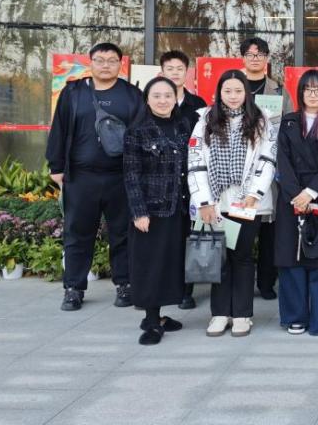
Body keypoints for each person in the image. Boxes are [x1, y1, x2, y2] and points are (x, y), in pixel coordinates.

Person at [46, 42, 144, 312]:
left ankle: (125, 284)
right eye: (100, 60)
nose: (105, 65)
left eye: (112, 60)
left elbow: (140, 135)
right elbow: (58, 129)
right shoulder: (73, 92)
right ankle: (73, 288)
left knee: (123, 233)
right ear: (91, 62)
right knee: (77, 233)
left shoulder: (132, 95)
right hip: (81, 177)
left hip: (121, 177)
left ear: (120, 64)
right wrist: (56, 166)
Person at [188, 69, 277, 338]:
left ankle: (241, 314)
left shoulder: (261, 119)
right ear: (219, 93)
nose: (233, 96)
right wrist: (204, 201)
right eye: (227, 91)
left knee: (243, 257)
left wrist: (255, 193)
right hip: (216, 201)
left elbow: (268, 159)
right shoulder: (205, 119)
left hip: (247, 202)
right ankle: (219, 313)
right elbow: (195, 161)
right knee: (219, 258)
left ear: (246, 93)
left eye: (238, 91)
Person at [274, 70, 318, 335]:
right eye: (308, 89)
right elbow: (282, 160)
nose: (313, 94)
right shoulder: (288, 123)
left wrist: (311, 192)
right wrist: (297, 194)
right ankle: (295, 316)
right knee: (292, 258)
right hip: (291, 197)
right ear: (300, 92)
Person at [122, 77, 189, 345]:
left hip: (178, 208)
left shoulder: (183, 126)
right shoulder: (137, 131)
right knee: (149, 265)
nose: (163, 101)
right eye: (157, 96)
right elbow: (131, 175)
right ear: (147, 100)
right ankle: (151, 321)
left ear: (175, 98)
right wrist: (139, 212)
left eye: (168, 95)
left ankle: (159, 315)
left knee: (170, 263)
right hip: (151, 211)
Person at [159, 49, 207, 310]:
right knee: (165, 237)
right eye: (170, 68)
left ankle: (187, 290)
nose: (175, 73)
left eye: (180, 69)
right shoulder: (153, 101)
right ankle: (167, 287)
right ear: (162, 72)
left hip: (191, 178)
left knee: (189, 234)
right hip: (162, 180)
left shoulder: (197, 104)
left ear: (187, 72)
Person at [239, 37, 281, 301]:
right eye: (250, 54)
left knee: (268, 229)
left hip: (269, 168)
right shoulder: (232, 85)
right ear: (243, 57)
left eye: (260, 54)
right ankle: (237, 279)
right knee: (240, 227)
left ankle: (266, 282)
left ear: (266, 59)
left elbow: (287, 125)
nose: (255, 58)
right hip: (237, 168)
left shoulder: (278, 90)